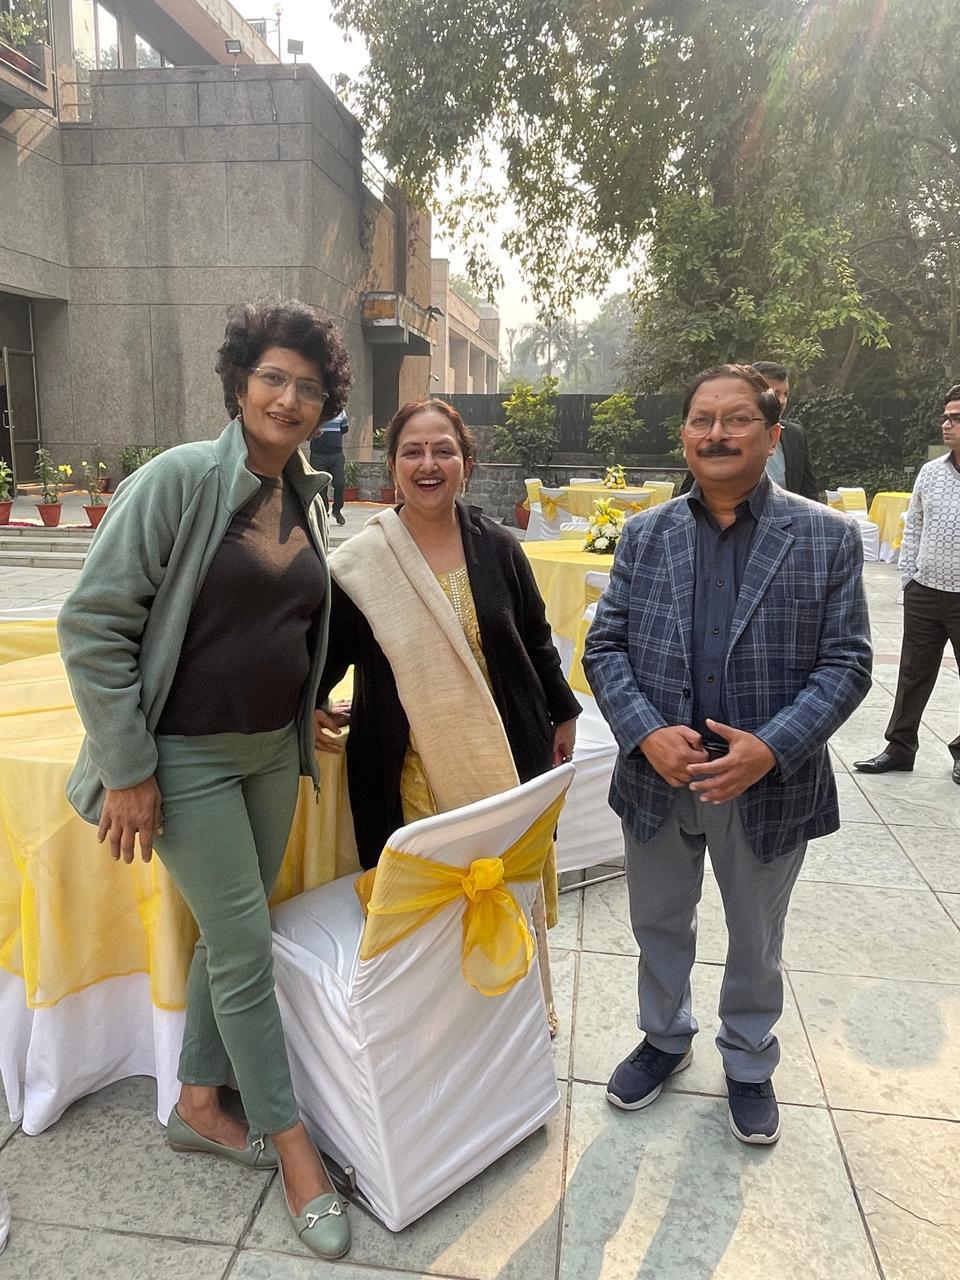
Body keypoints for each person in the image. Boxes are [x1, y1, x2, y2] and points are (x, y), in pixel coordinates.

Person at [57, 300, 353, 1261]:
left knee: (233, 935)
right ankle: (292, 1143)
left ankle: (196, 1103)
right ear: (238, 382)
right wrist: (128, 770)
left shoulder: (305, 493)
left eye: (309, 388)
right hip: (184, 758)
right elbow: (92, 624)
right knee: (245, 946)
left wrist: (303, 700)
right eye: (273, 378)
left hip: (271, 753)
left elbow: (281, 620)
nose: (289, 399)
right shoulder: (181, 479)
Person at [583, 364, 871, 1145]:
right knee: (657, 921)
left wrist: (771, 748)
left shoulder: (825, 536)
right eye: (702, 419)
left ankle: (747, 1059)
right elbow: (605, 647)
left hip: (766, 787)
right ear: (683, 435)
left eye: (737, 419)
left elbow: (847, 662)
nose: (717, 433)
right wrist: (646, 731)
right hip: (658, 778)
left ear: (772, 436)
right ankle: (664, 1037)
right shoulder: (646, 534)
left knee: (756, 937)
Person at [316, 397, 581, 1026]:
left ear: (466, 463)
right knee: (433, 902)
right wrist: (310, 704)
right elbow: (329, 650)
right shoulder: (363, 563)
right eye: (413, 451)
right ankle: (439, 1033)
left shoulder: (499, 547)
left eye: (443, 450)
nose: (428, 464)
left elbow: (536, 638)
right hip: (408, 765)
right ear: (393, 466)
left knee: (502, 885)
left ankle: (511, 1020)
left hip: (506, 752)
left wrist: (562, 713)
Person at [854, 384, 960, 783]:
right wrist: (909, 578)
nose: (946, 424)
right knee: (912, 674)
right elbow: (912, 525)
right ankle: (900, 748)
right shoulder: (931, 473)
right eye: (945, 416)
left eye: (956, 418)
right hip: (925, 592)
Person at [679, 360, 820, 500]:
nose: (782, 401)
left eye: (785, 394)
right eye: (775, 393)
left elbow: (808, 490)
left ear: (772, 437)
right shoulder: (707, 451)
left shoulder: (795, 434)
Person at [310, 407, 349, 524]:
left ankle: (337, 510)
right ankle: (324, 512)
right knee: (320, 487)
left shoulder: (340, 410)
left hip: (336, 455)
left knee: (340, 483)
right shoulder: (314, 408)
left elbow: (344, 428)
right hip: (318, 455)